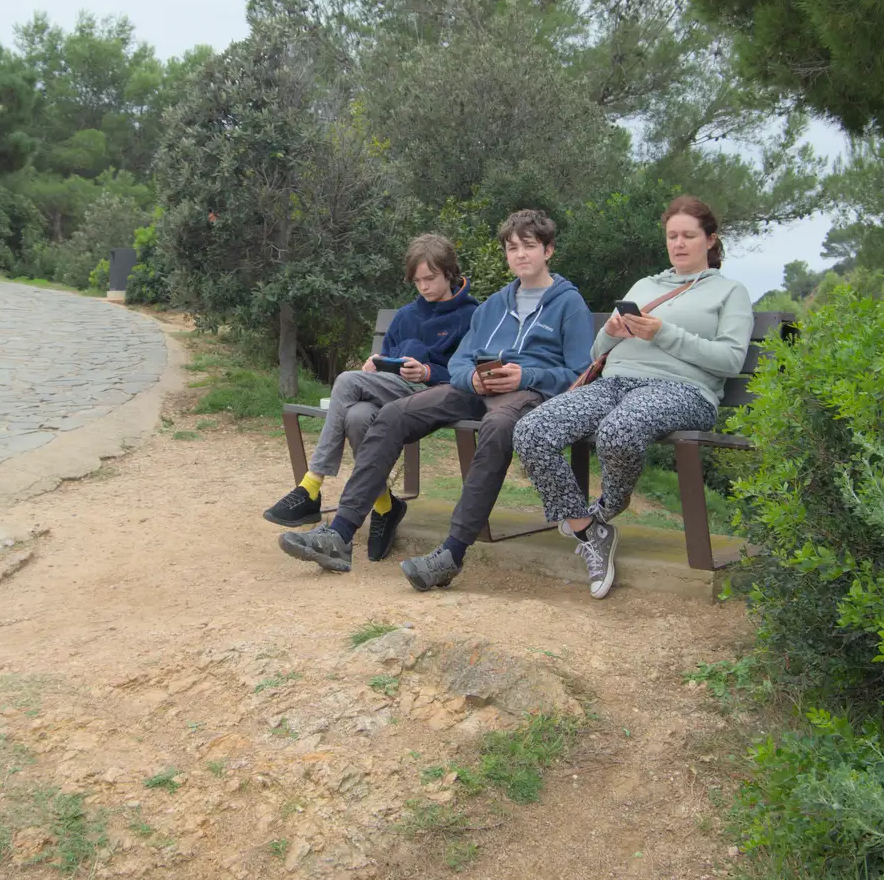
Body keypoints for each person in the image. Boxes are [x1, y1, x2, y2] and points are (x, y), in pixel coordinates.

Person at [276, 210, 595, 590]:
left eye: (529, 246)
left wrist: (527, 375)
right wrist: (471, 378)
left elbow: (580, 374)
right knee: (393, 414)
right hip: (474, 388)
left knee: (496, 427)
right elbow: (461, 360)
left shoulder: (568, 304)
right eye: (513, 248)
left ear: (549, 250)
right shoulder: (494, 305)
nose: (521, 255)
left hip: (526, 394)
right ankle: (340, 534)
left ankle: (452, 553)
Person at [512, 195, 752, 599]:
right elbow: (596, 354)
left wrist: (663, 332)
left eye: (688, 236)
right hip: (615, 382)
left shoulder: (730, 292)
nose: (678, 243)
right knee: (532, 430)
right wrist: (614, 331)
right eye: (672, 236)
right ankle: (589, 531)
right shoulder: (646, 285)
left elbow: (729, 360)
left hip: (684, 391)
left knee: (619, 430)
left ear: (710, 240)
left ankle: (605, 508)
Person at [262, 233, 478, 560]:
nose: (424, 287)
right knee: (357, 416)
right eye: (417, 280)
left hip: (433, 395)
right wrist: (373, 367)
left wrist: (428, 372)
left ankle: (311, 486)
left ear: (449, 272)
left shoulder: (471, 315)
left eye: (430, 278)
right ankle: (385, 505)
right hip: (392, 391)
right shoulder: (407, 316)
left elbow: (467, 373)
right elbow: (385, 355)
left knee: (348, 382)